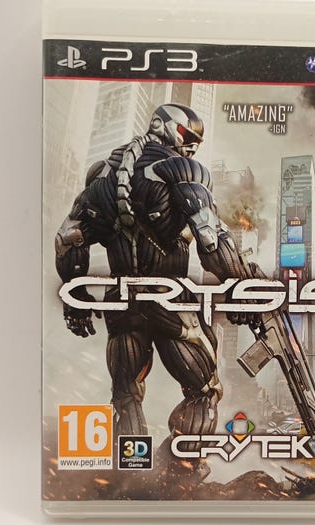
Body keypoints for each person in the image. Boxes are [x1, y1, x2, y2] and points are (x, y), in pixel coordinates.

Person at [55, 103, 254, 479]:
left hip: (122, 304)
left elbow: (67, 239)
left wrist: (74, 302)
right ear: (165, 127)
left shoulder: (101, 175)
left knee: (125, 395)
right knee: (204, 390)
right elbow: (210, 240)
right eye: (187, 136)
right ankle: (177, 472)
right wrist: (240, 286)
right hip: (169, 301)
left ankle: (130, 474)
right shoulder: (182, 170)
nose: (192, 145)